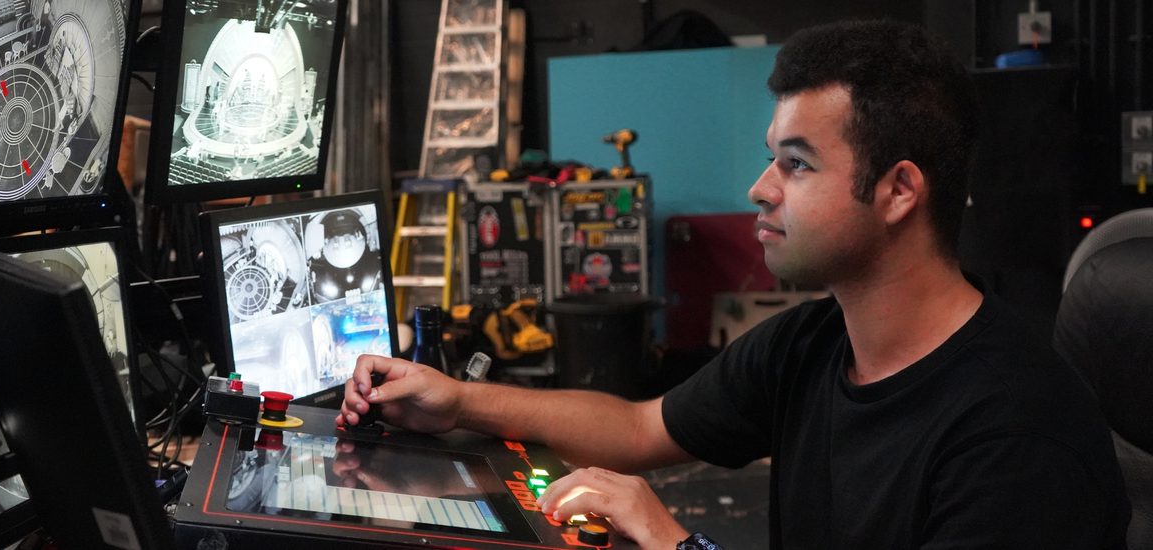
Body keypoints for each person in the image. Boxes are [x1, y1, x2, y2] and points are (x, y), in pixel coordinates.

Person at [339, 20, 1131, 549]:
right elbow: (640, 428)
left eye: (796, 163)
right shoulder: (817, 343)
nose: (760, 188)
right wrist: (457, 400)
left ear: (899, 190)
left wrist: (677, 542)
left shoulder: (1018, 439)